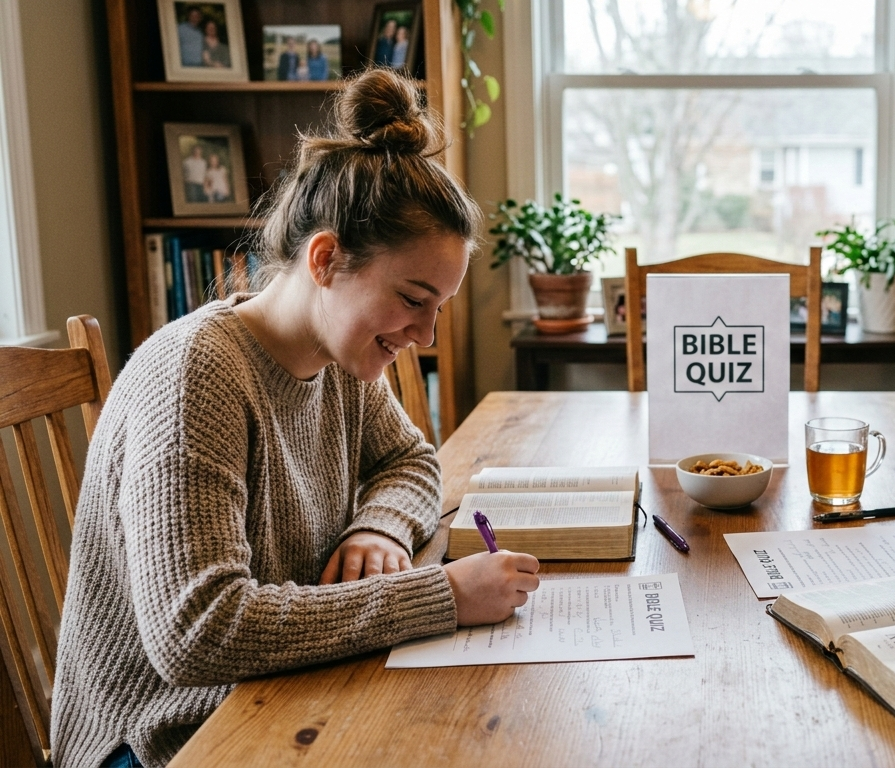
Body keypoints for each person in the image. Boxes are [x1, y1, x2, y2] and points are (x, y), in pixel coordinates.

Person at [52, 68, 541, 768]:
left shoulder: (334, 361)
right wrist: (436, 596)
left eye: (439, 307)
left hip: (277, 692)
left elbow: (410, 461)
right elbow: (198, 632)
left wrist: (378, 523)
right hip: (163, 738)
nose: (425, 335)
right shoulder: (197, 374)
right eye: (412, 298)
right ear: (326, 258)